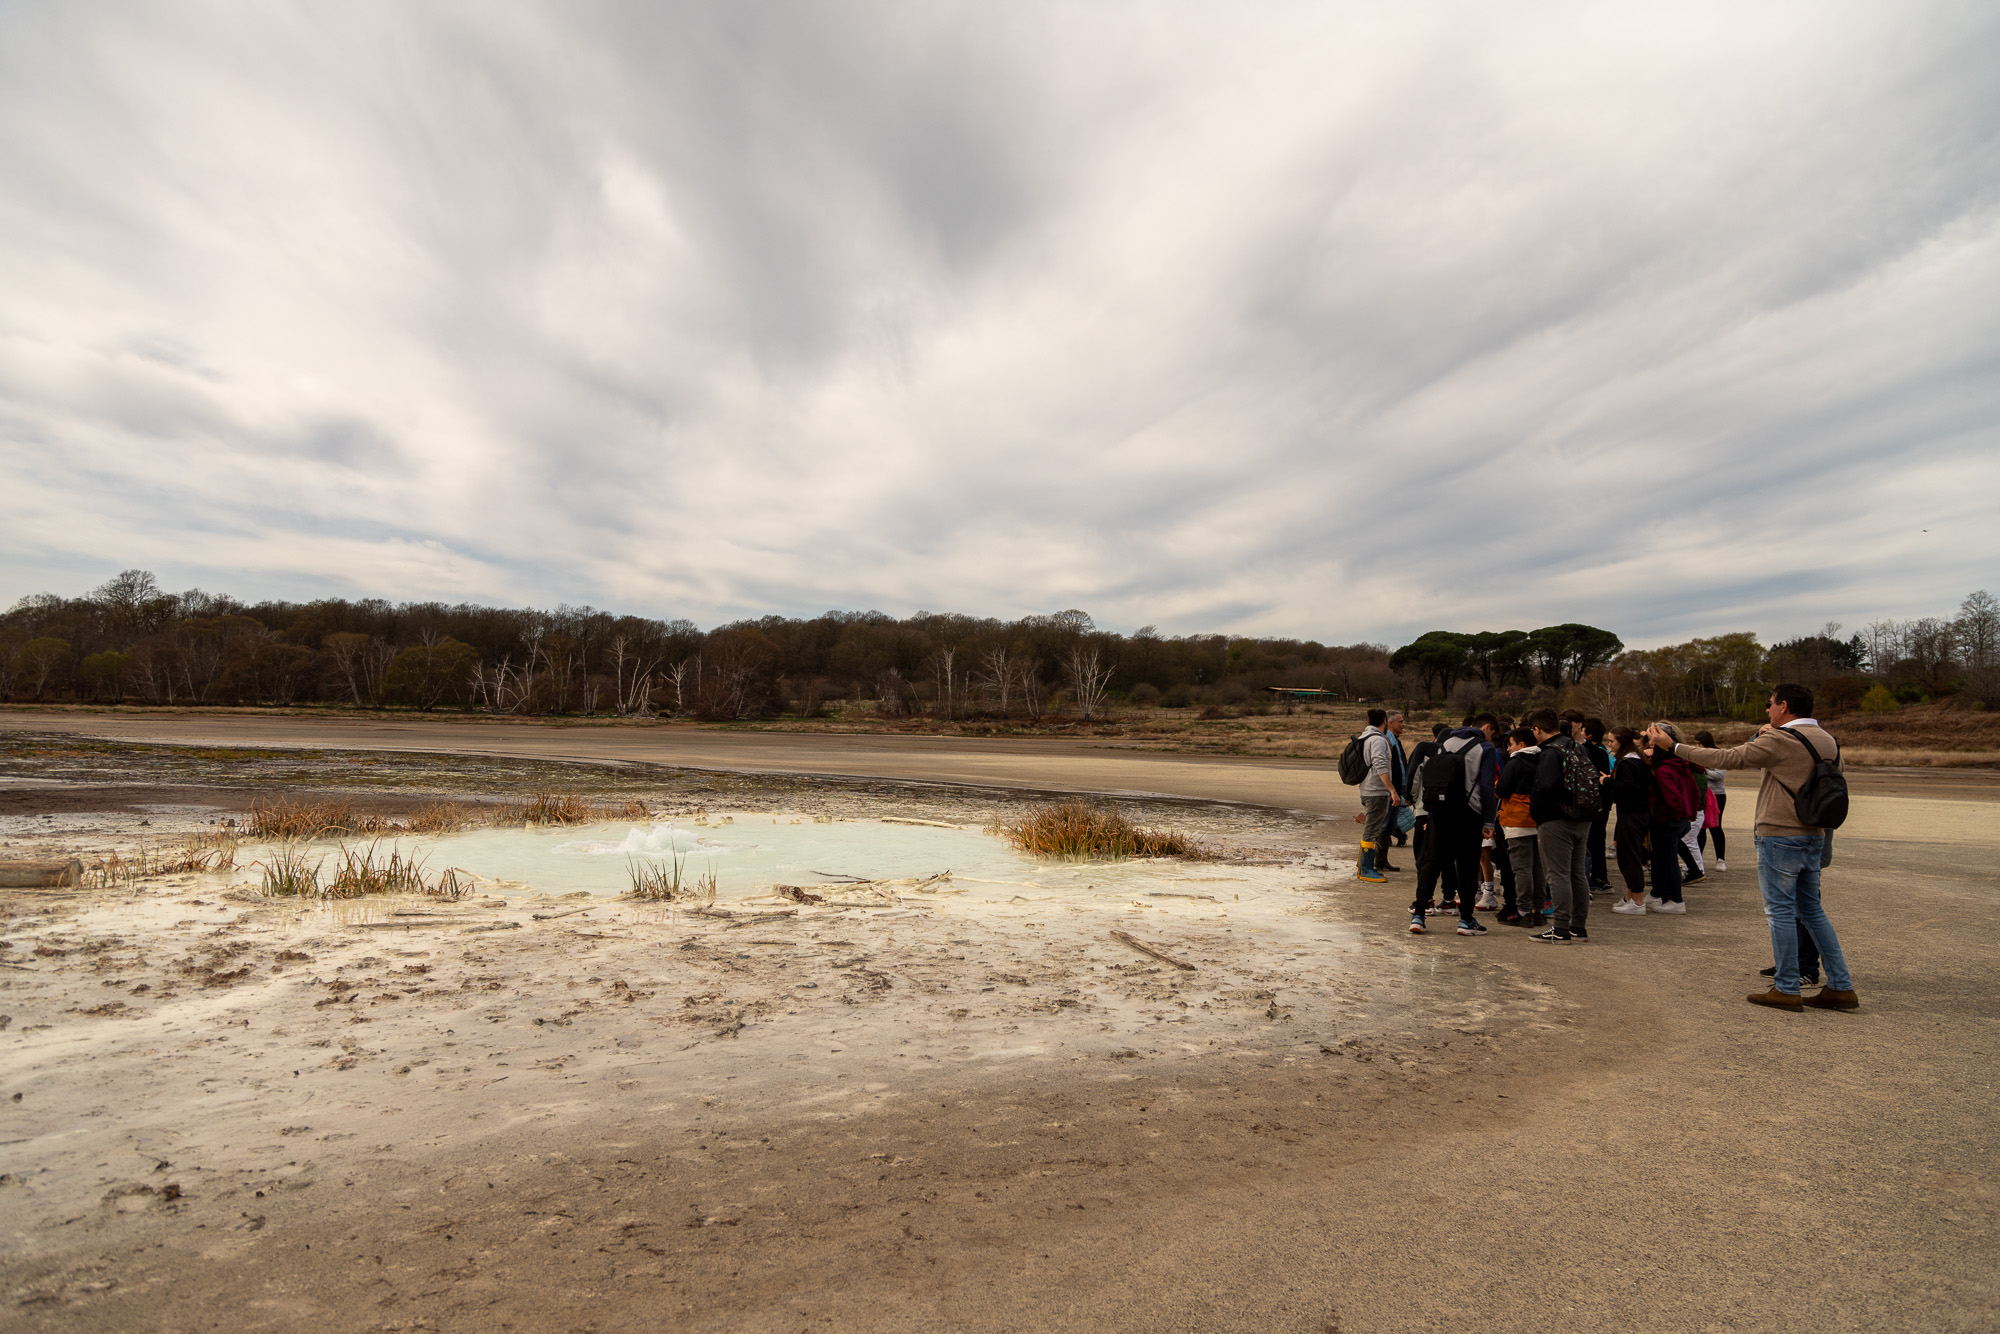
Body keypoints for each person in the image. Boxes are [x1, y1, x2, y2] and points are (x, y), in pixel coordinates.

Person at [1653, 685, 1857, 1011]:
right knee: (1811, 911)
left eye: (1770, 703)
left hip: (1780, 832)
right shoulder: (1827, 740)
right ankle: (1840, 985)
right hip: (1814, 833)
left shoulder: (1780, 739)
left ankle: (1787, 987)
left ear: (1784, 706)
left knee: (1780, 912)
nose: (1767, 709)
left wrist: (1673, 746)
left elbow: (1727, 758)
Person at [1407, 722, 1493, 936]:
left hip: (1439, 810)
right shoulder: (1485, 748)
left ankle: (1419, 915)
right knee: (1467, 864)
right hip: (1469, 812)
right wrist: (1489, 821)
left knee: (1431, 861)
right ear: (1485, 730)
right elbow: (1487, 785)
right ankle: (1466, 919)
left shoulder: (1445, 744)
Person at [1528, 708, 1594, 942]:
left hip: (1555, 820)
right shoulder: (1577, 747)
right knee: (1578, 874)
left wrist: (1537, 813)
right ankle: (1578, 926)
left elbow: (1544, 788)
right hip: (1582, 817)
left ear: (1537, 730)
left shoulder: (1549, 752)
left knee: (1557, 874)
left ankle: (1561, 927)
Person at [1642, 722, 1697, 913]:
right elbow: (1695, 793)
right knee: (1663, 859)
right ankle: (1661, 895)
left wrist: (1674, 816)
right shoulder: (1682, 765)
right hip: (1679, 820)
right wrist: (1689, 815)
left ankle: (1675, 900)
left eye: (1652, 742)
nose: (1649, 745)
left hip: (1667, 820)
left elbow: (1674, 798)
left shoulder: (1664, 770)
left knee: (1669, 861)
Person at [1494, 727, 1546, 925]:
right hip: (1540, 819)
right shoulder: (1544, 759)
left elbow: (1502, 789)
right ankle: (1538, 909)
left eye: (1511, 744)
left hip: (1517, 819)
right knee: (1538, 868)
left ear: (1521, 744)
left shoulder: (1516, 762)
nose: (1508, 749)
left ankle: (1523, 911)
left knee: (1522, 868)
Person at [1407, 723, 1454, 919]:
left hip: (1424, 810)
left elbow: (1414, 780)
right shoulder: (1457, 758)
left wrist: (1414, 799)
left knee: (1424, 858)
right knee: (1448, 858)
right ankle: (1449, 900)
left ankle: (1426, 901)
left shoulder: (1425, 753)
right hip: (1449, 814)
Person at [1605, 728, 1653, 913]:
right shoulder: (1636, 759)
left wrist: (1607, 781)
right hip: (1634, 813)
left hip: (1632, 814)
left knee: (1630, 857)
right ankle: (1630, 896)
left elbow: (1629, 787)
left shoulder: (1628, 762)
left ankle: (1638, 901)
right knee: (1626, 856)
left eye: (1612, 741)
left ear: (1622, 742)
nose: (1610, 744)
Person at [1355, 709, 1403, 883]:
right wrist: (1392, 789)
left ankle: (1364, 867)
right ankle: (1366, 869)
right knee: (1372, 830)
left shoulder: (1365, 737)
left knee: (1373, 828)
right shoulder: (1378, 740)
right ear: (1384, 720)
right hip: (1376, 791)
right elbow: (1380, 764)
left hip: (1369, 789)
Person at [1581, 717, 1614, 891]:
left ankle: (1599, 877)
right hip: (1603, 802)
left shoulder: (1595, 752)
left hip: (1598, 801)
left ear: (1589, 734)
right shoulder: (1603, 751)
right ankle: (1600, 877)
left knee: (1595, 840)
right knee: (1597, 839)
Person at [1694, 730, 1728, 871]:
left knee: (1715, 826)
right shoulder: (1697, 755)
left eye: (1699, 744)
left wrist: (1704, 770)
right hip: (1702, 793)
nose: (1698, 747)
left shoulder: (1719, 755)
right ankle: (1698, 859)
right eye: (1696, 744)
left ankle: (1721, 859)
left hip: (1717, 794)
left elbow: (1720, 775)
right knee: (1700, 826)